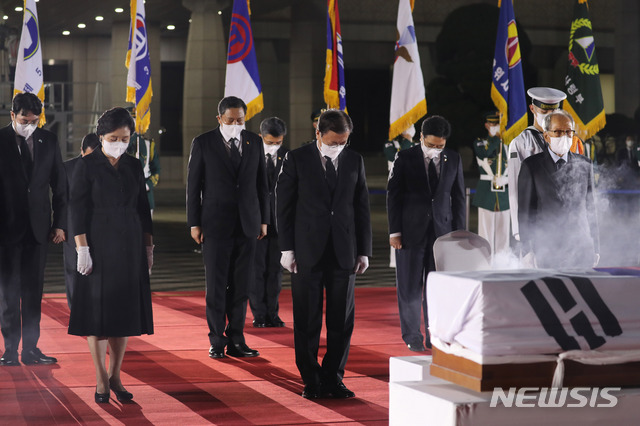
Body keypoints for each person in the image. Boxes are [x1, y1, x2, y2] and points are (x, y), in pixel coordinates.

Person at [277, 109, 372, 399]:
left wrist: (364, 251)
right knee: (307, 319)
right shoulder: (296, 158)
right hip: (306, 251)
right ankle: (311, 379)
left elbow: (361, 207)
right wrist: (286, 248)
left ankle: (334, 377)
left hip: (344, 252)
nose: (338, 147)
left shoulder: (354, 159)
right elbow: (284, 206)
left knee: (341, 321)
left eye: (343, 142)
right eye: (333, 142)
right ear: (318, 134)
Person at [68, 107, 154, 404]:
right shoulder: (87, 165)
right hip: (97, 246)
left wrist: (149, 247)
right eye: (113, 137)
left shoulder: (133, 164)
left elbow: (143, 210)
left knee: (123, 314)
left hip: (130, 246)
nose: (119, 142)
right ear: (101, 136)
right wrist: (82, 249)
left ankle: (116, 375)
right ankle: (101, 378)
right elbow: (76, 210)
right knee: (98, 316)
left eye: (125, 137)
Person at [187, 96, 268, 360]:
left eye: (241, 120)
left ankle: (237, 339)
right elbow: (193, 187)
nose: (236, 124)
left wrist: (264, 219)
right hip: (215, 224)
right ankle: (216, 340)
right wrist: (194, 223)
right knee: (217, 285)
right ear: (219, 118)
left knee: (241, 286)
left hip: (248, 224)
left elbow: (262, 185)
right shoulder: (203, 143)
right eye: (231, 120)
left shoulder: (254, 142)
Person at [387, 115, 465, 352]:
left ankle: (436, 333)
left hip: (442, 234)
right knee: (410, 286)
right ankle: (412, 335)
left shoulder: (453, 158)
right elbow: (394, 196)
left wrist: (459, 234)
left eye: (439, 146)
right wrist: (395, 232)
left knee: (438, 287)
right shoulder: (404, 157)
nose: (435, 150)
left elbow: (459, 199)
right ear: (421, 137)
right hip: (410, 233)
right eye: (430, 145)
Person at [0, 93, 66, 366]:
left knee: (33, 292)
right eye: (25, 120)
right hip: (6, 230)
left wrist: (60, 223)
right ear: (12, 116)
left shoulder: (48, 140)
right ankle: (10, 350)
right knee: (8, 294)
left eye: (35, 120)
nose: (30, 125)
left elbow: (60, 186)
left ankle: (31, 349)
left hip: (39, 230)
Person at [518, 109, 599, 269]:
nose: (565, 136)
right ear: (547, 136)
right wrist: (527, 250)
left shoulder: (585, 165)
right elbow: (526, 212)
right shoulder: (532, 166)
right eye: (558, 132)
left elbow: (591, 208)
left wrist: (596, 246)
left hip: (580, 247)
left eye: (569, 132)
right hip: (547, 248)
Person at [508, 87, 583, 241]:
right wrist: (518, 230)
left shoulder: (570, 140)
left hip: (568, 223)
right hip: (537, 222)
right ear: (532, 109)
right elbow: (516, 189)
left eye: (553, 112)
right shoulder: (520, 143)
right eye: (544, 112)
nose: (549, 117)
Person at [250, 117, 288, 328]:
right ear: (260, 137)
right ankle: (259, 313)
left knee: (275, 270)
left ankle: (273, 312)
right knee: (257, 269)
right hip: (256, 222)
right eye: (270, 142)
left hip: (279, 223)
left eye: (278, 142)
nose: (274, 147)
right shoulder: (251, 156)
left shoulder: (288, 157)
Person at [62, 133, 100, 310]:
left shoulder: (106, 167)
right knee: (73, 270)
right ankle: (75, 310)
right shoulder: (67, 169)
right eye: (88, 156)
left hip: (98, 227)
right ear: (81, 151)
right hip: (72, 228)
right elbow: (60, 202)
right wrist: (59, 226)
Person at [472, 112, 510, 255]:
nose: (496, 127)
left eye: (498, 124)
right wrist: (497, 139)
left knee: (504, 233)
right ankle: (485, 260)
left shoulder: (508, 145)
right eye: (493, 124)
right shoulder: (480, 142)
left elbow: (515, 164)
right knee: (485, 233)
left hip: (504, 193)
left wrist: (507, 179)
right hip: (486, 193)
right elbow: (484, 154)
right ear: (487, 125)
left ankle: (502, 262)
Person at [384, 125, 417, 267]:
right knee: (397, 224)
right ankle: (396, 260)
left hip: (415, 188)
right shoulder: (390, 144)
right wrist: (407, 140)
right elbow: (398, 157)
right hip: (397, 187)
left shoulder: (418, 145)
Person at [126, 108, 161, 216]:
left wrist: (147, 185)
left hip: (145, 196)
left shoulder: (148, 144)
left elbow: (156, 170)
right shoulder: (119, 144)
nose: (135, 123)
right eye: (131, 120)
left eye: (136, 120)